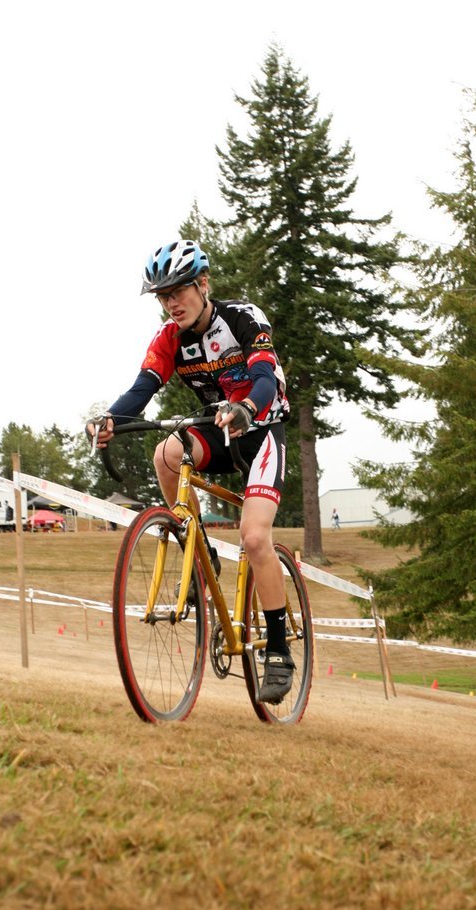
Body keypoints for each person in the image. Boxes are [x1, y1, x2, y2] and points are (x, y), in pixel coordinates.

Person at [88, 239, 294, 704]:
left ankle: (279, 652)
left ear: (203, 284)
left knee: (254, 539)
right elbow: (142, 389)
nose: (171, 303)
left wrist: (247, 408)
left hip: (261, 430)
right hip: (218, 431)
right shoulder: (169, 338)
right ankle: (198, 549)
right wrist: (110, 420)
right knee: (166, 453)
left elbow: (265, 377)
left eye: (178, 291)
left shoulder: (243, 318)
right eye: (163, 296)